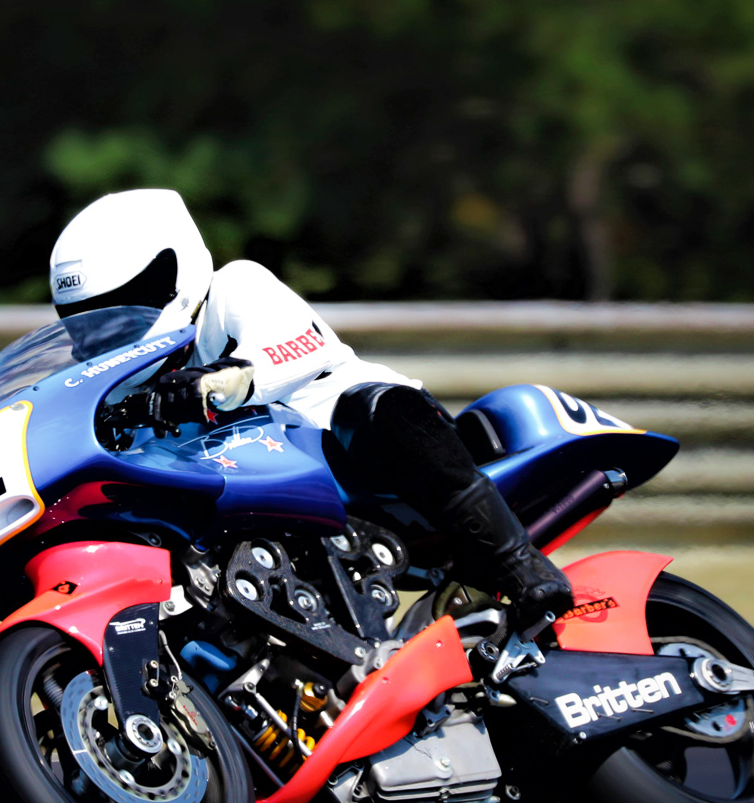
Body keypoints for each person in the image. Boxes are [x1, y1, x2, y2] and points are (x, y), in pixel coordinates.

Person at [49, 188, 572, 634]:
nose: (108, 337)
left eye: (125, 314)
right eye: (90, 326)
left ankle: (521, 566)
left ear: (172, 275)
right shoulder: (119, 385)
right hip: (273, 509)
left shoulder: (234, 287)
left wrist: (224, 379)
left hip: (363, 452)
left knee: (369, 409)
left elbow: (297, 345)